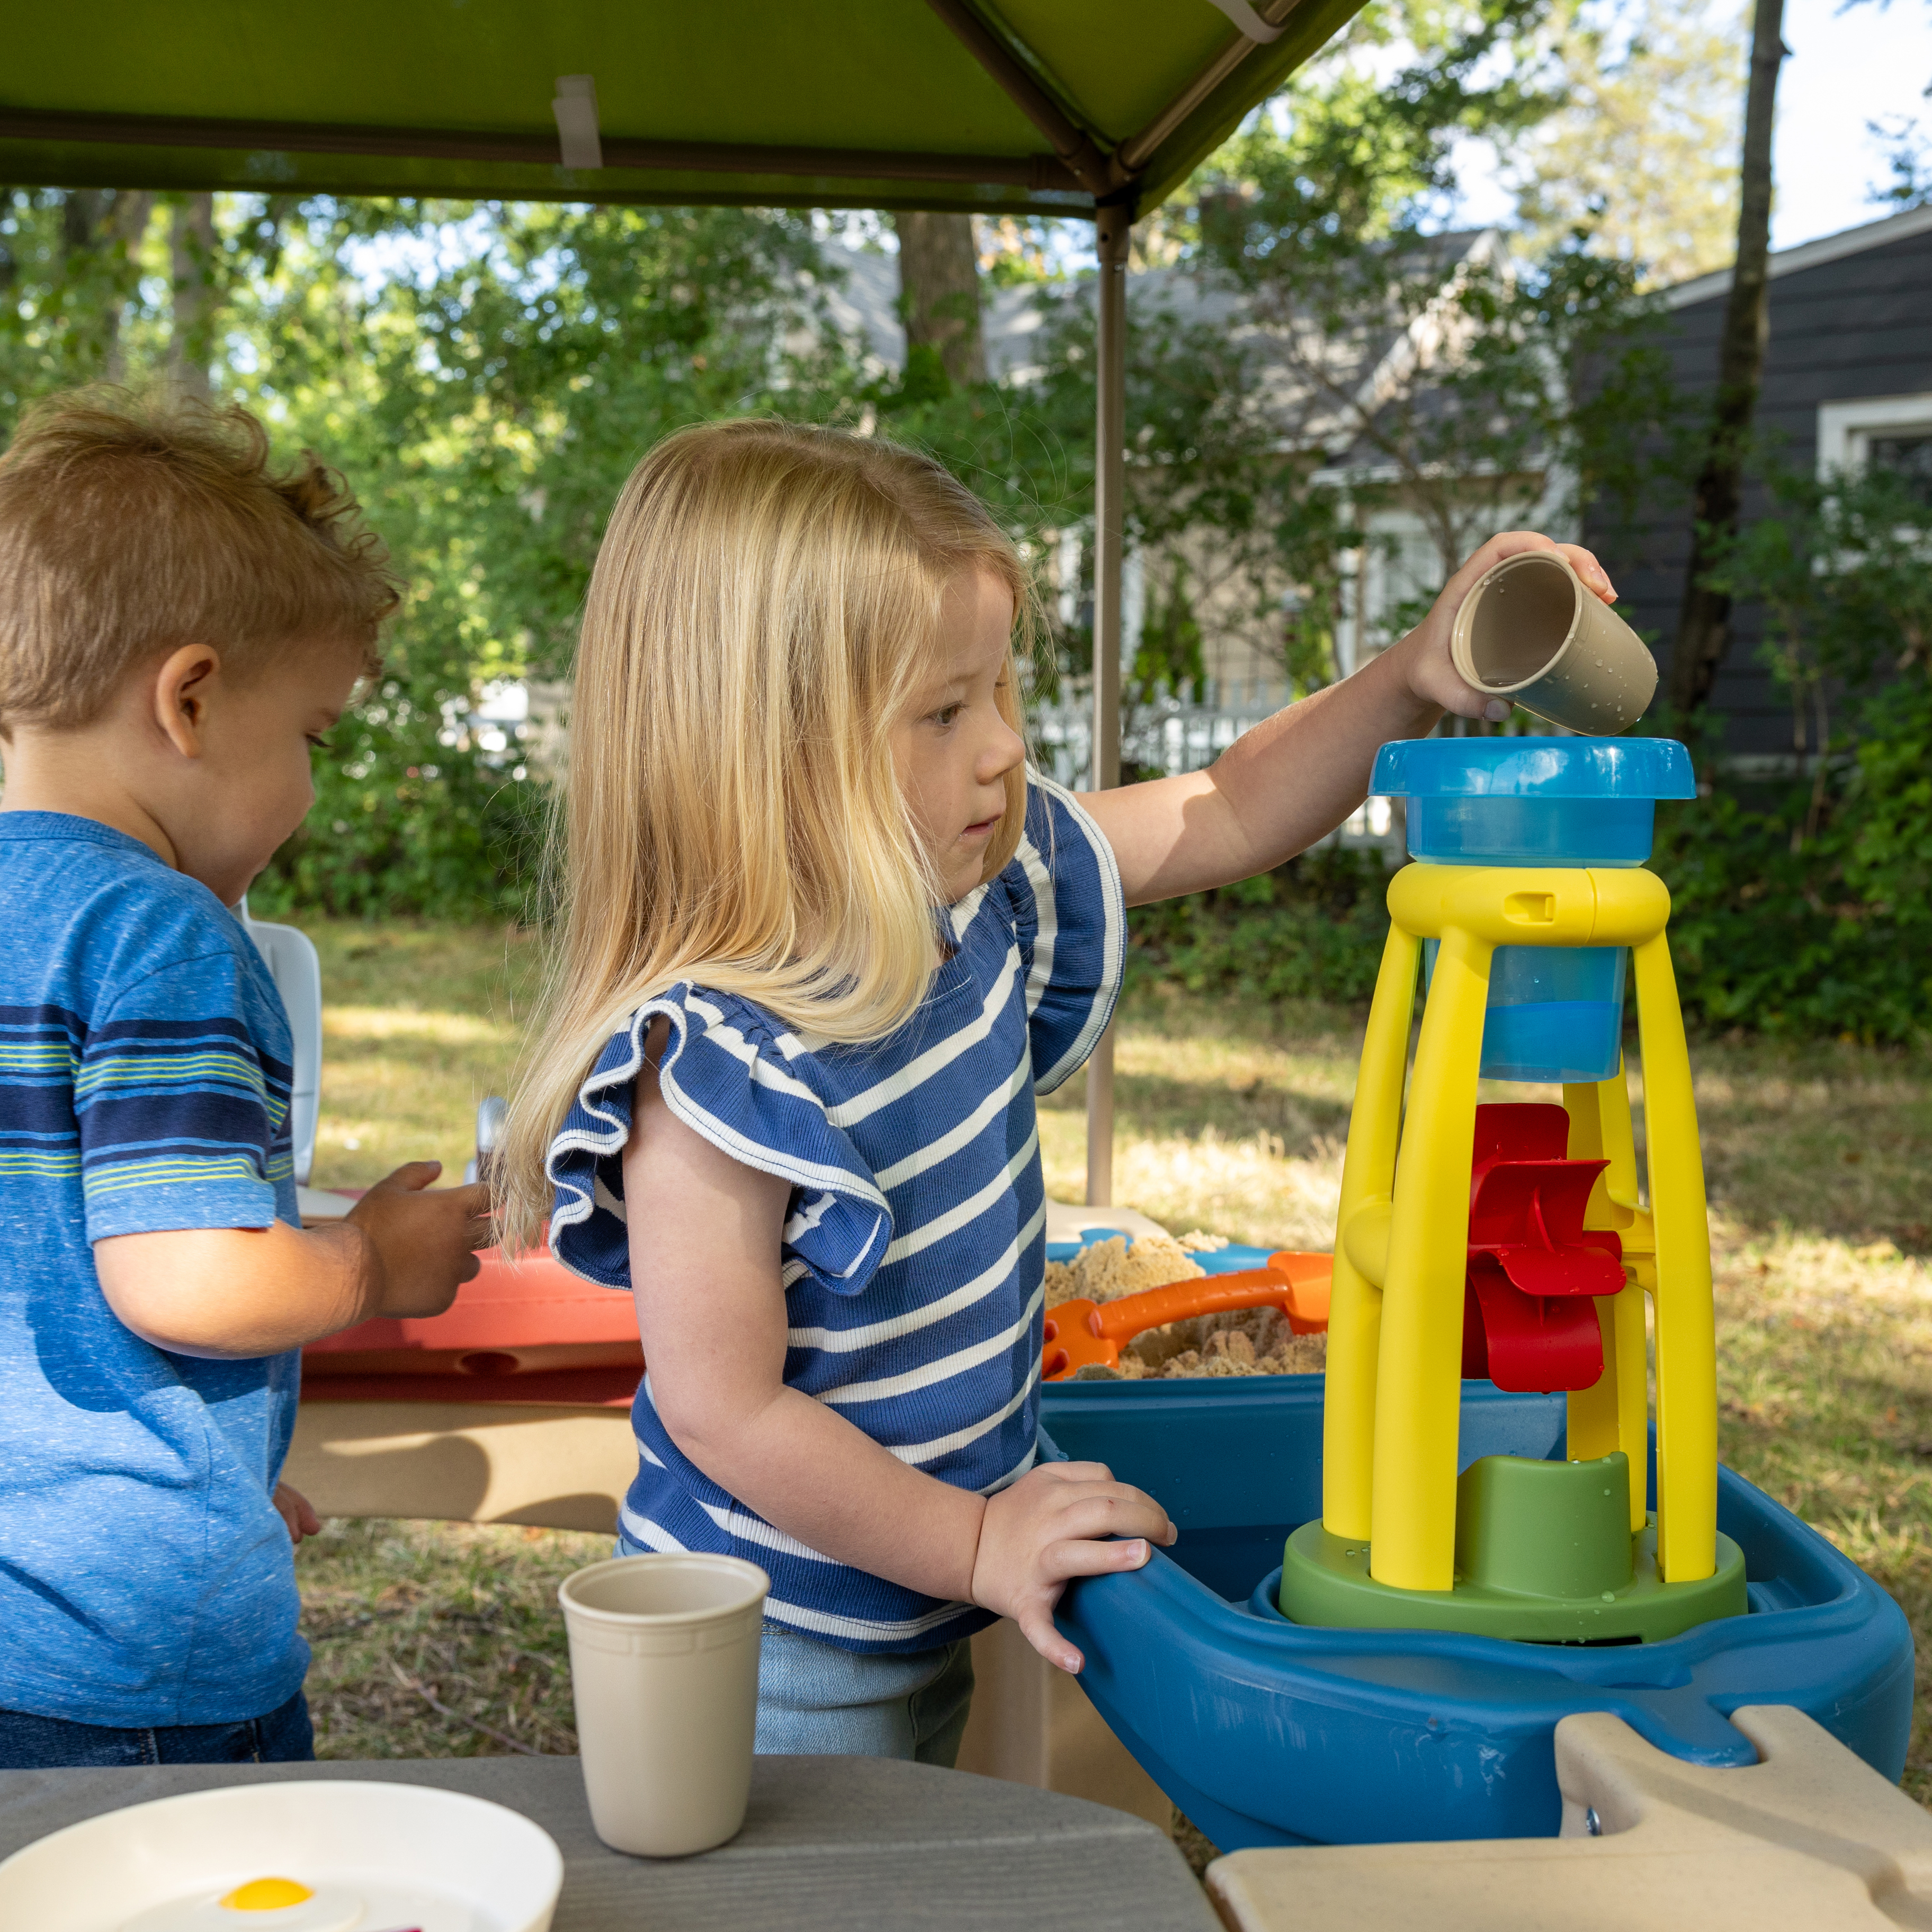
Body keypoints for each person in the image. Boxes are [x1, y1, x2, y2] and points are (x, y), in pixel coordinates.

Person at [497, 419, 1619, 1765]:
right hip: (772, 1655)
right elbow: (723, 1410)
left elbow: (1229, 805)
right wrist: (975, 1540)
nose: (1001, 750)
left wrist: (1411, 674)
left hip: (913, 1603)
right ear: (767, 754)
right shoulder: (718, 1066)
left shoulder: (977, 893)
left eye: (999, 693)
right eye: (944, 712)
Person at [0, 393, 491, 1768]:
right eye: (312, 738)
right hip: (132, 1673)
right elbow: (187, 1277)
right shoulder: (160, 933)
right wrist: (370, 1263)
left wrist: (213, 1486)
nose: (311, 789)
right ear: (193, 699)